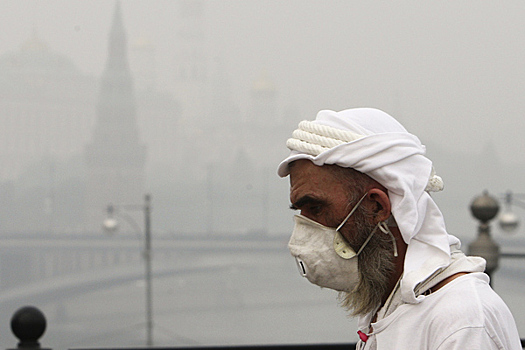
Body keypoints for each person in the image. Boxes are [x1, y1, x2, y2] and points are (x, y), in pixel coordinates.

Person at [277, 108, 521, 350]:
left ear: (377, 207)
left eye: (316, 208)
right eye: (300, 211)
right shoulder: (386, 306)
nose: (304, 230)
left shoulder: (461, 321)